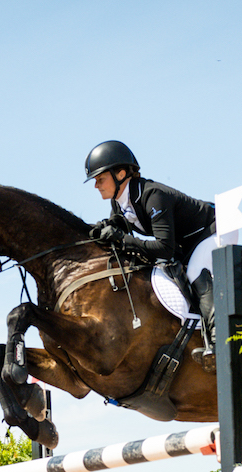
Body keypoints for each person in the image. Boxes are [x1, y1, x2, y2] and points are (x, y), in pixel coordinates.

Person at [84, 140, 222, 372]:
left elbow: (163, 248)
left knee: (196, 274)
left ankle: (220, 345)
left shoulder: (153, 195)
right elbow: (123, 236)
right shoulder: (119, 204)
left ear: (120, 173)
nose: (96, 185)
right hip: (186, 243)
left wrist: (122, 239)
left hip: (213, 230)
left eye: (100, 179)